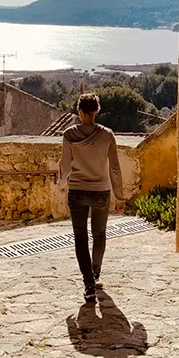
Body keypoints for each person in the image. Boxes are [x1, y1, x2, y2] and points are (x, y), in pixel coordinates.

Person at [58, 93, 124, 302]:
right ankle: (95, 270)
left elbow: (65, 165)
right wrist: (119, 197)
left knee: (80, 238)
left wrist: (61, 184)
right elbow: (114, 168)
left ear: (79, 112)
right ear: (96, 111)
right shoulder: (107, 135)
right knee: (100, 234)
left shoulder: (69, 134)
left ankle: (88, 284)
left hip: (77, 191)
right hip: (101, 191)